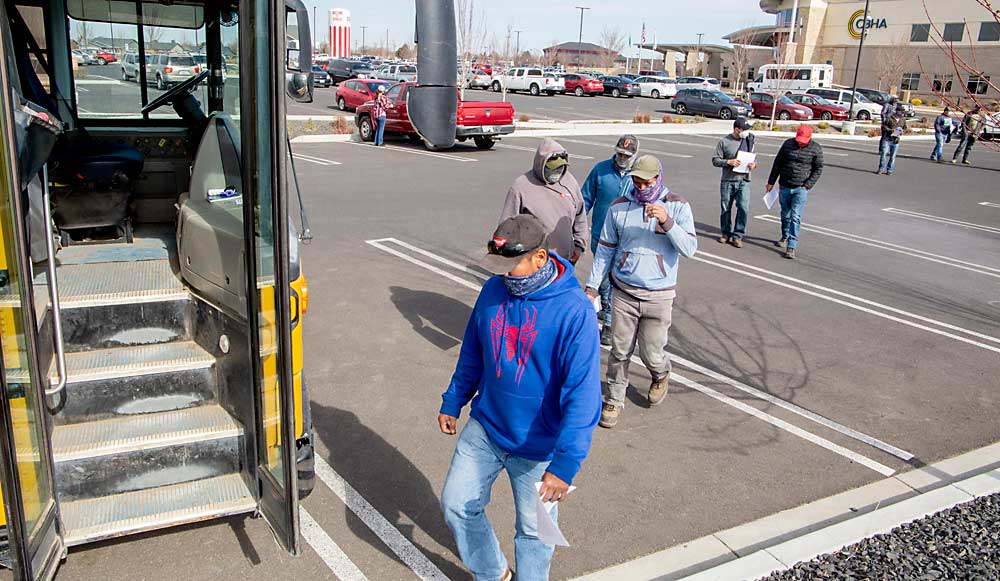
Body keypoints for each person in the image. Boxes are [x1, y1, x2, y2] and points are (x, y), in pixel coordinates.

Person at [439, 214, 601, 581]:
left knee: (535, 532)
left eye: (511, 266)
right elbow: (473, 353)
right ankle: (494, 573)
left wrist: (565, 465)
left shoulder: (574, 313)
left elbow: (584, 395)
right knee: (456, 506)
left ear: (540, 258)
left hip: (539, 449)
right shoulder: (494, 291)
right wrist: (454, 399)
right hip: (487, 427)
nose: (503, 275)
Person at [584, 155, 698, 428]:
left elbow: (690, 248)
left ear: (659, 178)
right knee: (619, 351)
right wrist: (592, 287)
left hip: (659, 296)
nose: (641, 186)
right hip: (624, 292)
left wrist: (667, 222)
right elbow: (605, 251)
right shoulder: (620, 207)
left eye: (646, 181)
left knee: (651, 352)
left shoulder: (678, 206)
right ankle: (614, 398)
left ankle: (660, 374)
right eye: (636, 180)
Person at [582, 135, 638, 345]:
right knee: (603, 279)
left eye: (627, 154)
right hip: (600, 235)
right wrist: (577, 224)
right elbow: (585, 198)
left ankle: (608, 324)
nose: (622, 157)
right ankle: (606, 304)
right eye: (620, 153)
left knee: (616, 280)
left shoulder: (638, 176)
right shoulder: (601, 170)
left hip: (625, 239)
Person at [500, 139, 588, 264]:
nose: (556, 172)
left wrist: (579, 245)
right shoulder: (521, 186)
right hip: (533, 262)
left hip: (565, 260)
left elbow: (580, 216)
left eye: (560, 168)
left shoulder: (570, 182)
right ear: (541, 164)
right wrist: (504, 261)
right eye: (552, 169)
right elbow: (506, 226)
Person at [766, 125, 824, 260]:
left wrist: (807, 185)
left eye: (803, 140)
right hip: (785, 185)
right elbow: (777, 164)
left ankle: (791, 245)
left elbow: (818, 169)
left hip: (800, 188)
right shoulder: (787, 144)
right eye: (799, 139)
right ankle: (785, 236)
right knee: (785, 214)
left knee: (795, 216)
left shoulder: (816, 149)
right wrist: (771, 182)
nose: (800, 142)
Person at [712, 117, 757, 248]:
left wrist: (754, 165)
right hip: (728, 180)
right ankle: (726, 233)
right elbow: (715, 160)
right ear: (736, 129)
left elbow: (753, 158)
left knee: (743, 208)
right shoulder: (724, 141)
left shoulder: (749, 140)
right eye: (744, 129)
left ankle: (737, 235)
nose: (746, 132)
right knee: (726, 208)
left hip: (744, 179)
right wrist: (728, 162)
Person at [877, 102, 908, 175]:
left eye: (903, 112)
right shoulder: (890, 118)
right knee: (884, 154)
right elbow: (884, 126)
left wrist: (903, 131)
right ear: (897, 111)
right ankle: (881, 168)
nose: (902, 113)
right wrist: (890, 130)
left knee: (892, 156)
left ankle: (889, 170)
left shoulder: (903, 120)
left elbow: (905, 128)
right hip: (887, 139)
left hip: (896, 140)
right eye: (901, 112)